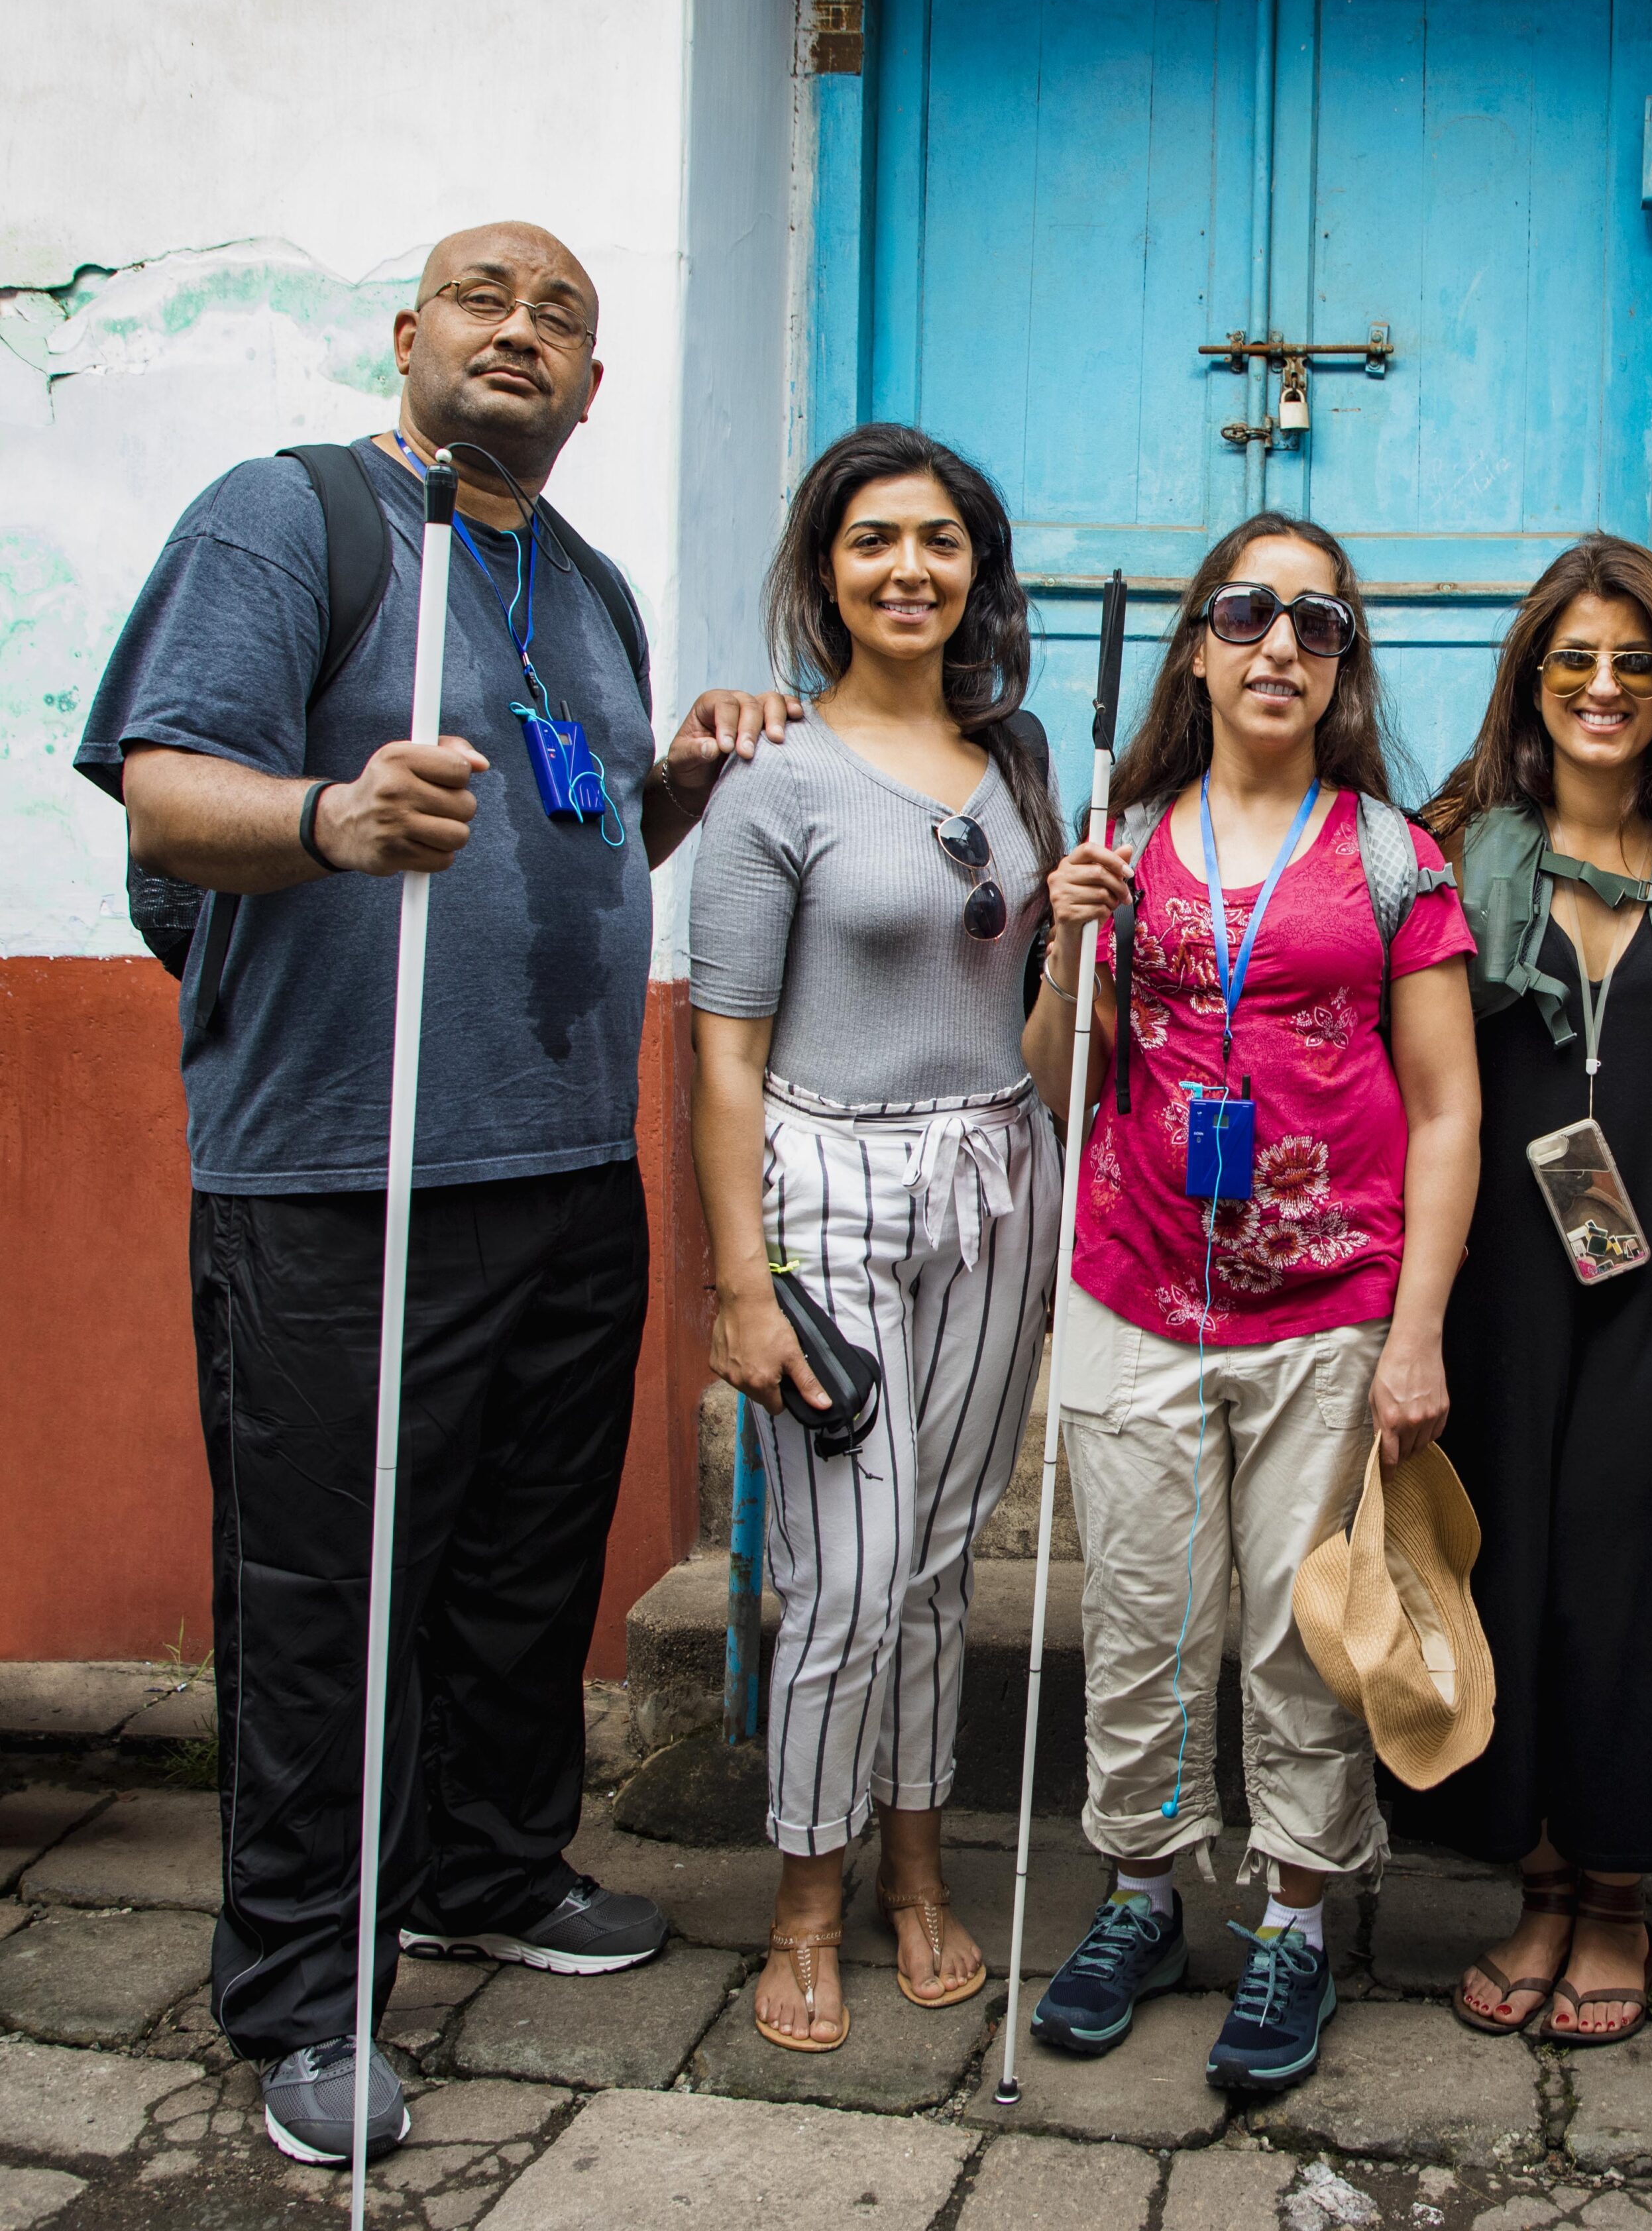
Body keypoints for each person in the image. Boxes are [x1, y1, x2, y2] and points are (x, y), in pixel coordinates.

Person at [74, 221, 797, 2165]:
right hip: (343, 1166)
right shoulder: (290, 522)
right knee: (328, 1592)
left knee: (516, 1568)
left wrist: (689, 787)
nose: (522, 332)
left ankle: (488, 1864)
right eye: (486, 299)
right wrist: (327, 817)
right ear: (407, 337)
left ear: (593, 383)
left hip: (563, 1161)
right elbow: (159, 786)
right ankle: (305, 1992)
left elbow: (584, 819)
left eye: (562, 315)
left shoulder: (592, 590)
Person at [1020, 512, 1482, 2094]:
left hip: (1330, 1302)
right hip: (1136, 1281)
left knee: (1304, 1631)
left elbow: (1446, 1109)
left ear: (1344, 664)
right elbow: (1058, 1086)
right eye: (1247, 614)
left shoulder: (1394, 854)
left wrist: (1416, 1332)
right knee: (1142, 1615)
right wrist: (1069, 953)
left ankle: (1294, 1918)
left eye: (1317, 623)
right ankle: (1142, 1894)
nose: (1279, 644)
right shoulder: (1124, 836)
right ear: (1199, 649)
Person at [687, 424, 1064, 2053]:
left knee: (929, 1557)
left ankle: (920, 1869)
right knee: (843, 1575)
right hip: (823, 1187)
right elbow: (721, 1050)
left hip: (1001, 1183)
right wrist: (738, 1285)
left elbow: (1039, 1018)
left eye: (939, 540)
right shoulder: (771, 770)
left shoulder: (1024, 758)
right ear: (824, 571)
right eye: (870, 542)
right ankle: (806, 1903)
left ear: (977, 565)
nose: (908, 568)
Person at [1402, 535, 1652, 2043]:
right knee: (1513, 1548)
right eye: (1575, 661)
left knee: (1638, 1553)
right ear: (1532, 682)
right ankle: (1540, 1878)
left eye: (1634, 662)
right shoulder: (1454, 841)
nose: (1605, 688)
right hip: (1499, 1253)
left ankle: (1622, 1892)